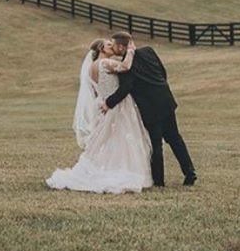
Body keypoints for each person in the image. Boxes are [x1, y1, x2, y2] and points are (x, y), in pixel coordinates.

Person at [45, 39, 153, 194]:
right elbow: (125, 66)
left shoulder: (91, 67)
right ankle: (118, 169)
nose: (114, 47)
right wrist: (130, 50)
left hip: (103, 105)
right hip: (116, 106)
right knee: (121, 139)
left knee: (108, 140)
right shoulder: (104, 63)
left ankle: (106, 166)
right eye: (109, 45)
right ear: (102, 48)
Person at [102, 32, 196, 187]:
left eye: (114, 45)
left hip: (150, 107)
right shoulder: (149, 51)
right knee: (175, 138)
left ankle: (159, 181)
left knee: (156, 144)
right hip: (165, 100)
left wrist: (108, 103)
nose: (113, 49)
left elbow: (125, 89)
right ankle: (190, 172)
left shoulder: (126, 67)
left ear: (121, 46)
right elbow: (163, 72)